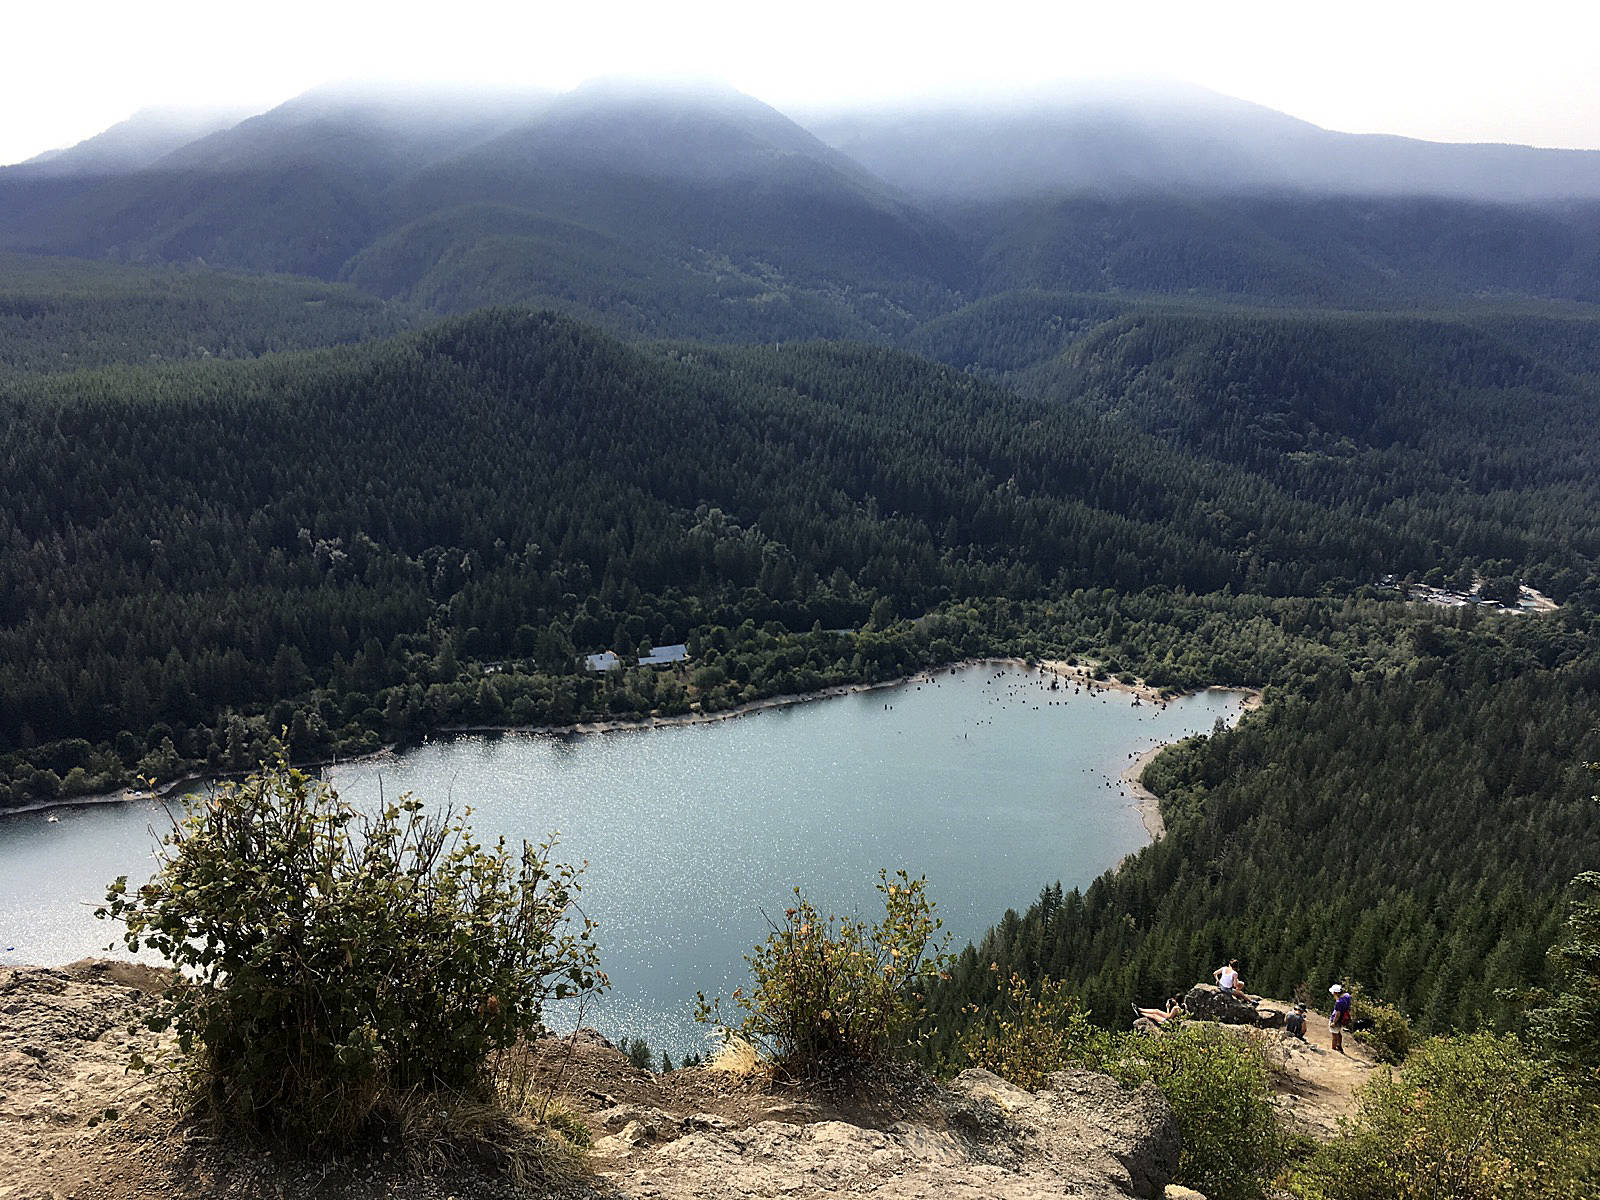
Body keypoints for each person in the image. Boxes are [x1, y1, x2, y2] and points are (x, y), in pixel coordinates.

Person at [1329, 983, 1353, 1053]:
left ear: (1336, 993)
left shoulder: (1339, 1002)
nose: (1332, 994)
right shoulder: (1347, 996)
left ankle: (1333, 1049)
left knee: (1334, 1035)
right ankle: (1339, 1046)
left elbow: (1338, 1014)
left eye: (1333, 992)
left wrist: (1334, 1022)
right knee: (1338, 1032)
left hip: (1338, 1019)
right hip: (1343, 1018)